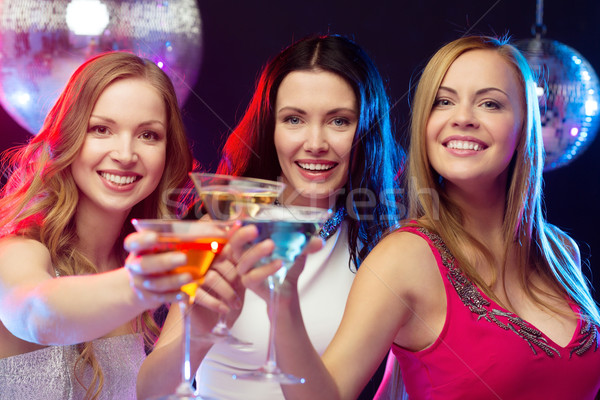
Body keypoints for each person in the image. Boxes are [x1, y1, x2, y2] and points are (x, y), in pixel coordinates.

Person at [237, 35, 600, 399]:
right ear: (425, 125)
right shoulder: (404, 258)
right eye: (444, 101)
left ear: (525, 127)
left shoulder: (560, 251)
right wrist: (281, 304)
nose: (463, 118)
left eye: (490, 103)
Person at [135, 34, 405, 400]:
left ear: (367, 130)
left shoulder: (384, 254)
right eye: (294, 119)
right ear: (271, 128)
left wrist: (283, 303)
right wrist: (196, 334)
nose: (315, 143)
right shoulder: (221, 229)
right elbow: (150, 393)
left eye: (339, 122)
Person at [0, 51, 195, 399]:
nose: (125, 153)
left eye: (148, 135)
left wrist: (204, 316)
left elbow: (148, 393)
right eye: (101, 129)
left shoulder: (125, 263)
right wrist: (149, 281)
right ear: (68, 137)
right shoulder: (18, 248)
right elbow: (37, 315)